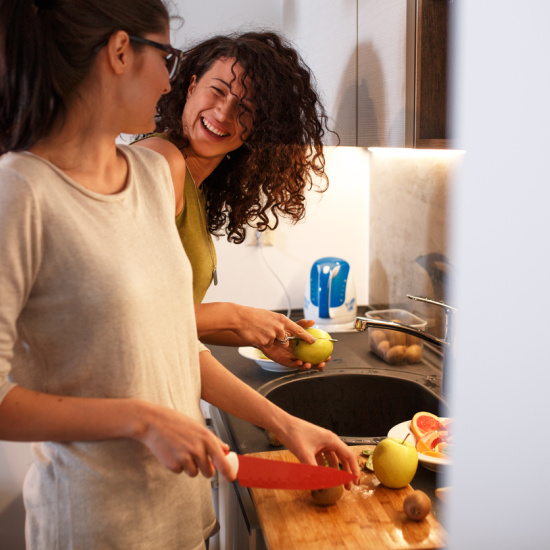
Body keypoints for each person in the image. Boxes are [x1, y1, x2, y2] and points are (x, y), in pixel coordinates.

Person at [0, 2, 359, 549]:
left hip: (180, 519)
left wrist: (285, 425)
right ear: (120, 52)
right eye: (165, 57)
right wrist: (140, 420)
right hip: (95, 527)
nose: (170, 80)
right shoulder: (21, 191)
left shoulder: (147, 176)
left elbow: (174, 345)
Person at [134, 31, 336, 370]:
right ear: (191, 85)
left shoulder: (195, 178)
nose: (224, 113)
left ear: (259, 126)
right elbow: (130, 314)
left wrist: (265, 334)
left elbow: (176, 318)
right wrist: (236, 315)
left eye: (245, 107)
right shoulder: (159, 163)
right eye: (217, 90)